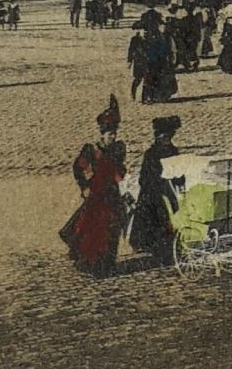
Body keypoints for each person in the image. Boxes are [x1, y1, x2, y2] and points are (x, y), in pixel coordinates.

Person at [60, 95, 128, 277]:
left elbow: (120, 171)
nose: (112, 137)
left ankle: (108, 264)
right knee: (94, 230)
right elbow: (78, 168)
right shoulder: (91, 151)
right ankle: (91, 264)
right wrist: (84, 186)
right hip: (96, 194)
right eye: (109, 135)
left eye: (114, 134)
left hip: (112, 193)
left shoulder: (118, 149)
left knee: (112, 228)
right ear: (102, 134)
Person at [128, 115, 183, 267]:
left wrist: (179, 180)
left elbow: (179, 172)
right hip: (151, 192)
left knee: (169, 219)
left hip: (167, 191)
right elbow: (143, 177)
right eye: (163, 137)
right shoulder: (151, 154)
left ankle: (166, 248)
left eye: (168, 137)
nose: (166, 140)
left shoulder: (174, 151)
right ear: (158, 137)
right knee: (152, 220)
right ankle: (151, 247)